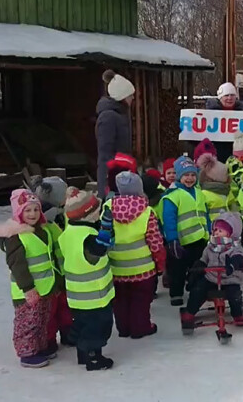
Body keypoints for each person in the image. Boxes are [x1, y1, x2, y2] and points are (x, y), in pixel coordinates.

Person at [0, 190, 58, 368]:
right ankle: (27, 352)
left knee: (42, 320)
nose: (32, 214)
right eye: (27, 211)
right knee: (28, 322)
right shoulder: (16, 237)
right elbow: (18, 265)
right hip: (27, 290)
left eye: (36, 210)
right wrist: (28, 288)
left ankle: (39, 346)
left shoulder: (43, 230)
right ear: (18, 212)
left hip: (45, 286)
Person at [58, 189, 116, 371]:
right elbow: (97, 251)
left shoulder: (70, 232)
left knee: (84, 324)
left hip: (77, 295)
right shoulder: (87, 237)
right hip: (94, 295)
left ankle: (83, 352)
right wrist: (106, 228)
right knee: (98, 328)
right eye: (97, 211)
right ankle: (93, 358)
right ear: (88, 214)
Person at [107, 172, 165, 338]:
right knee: (140, 300)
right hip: (143, 268)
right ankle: (140, 328)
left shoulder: (108, 207)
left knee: (121, 300)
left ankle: (124, 328)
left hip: (116, 267)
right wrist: (160, 263)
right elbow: (155, 242)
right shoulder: (147, 212)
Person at [180, 212, 243, 333]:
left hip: (230, 278)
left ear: (231, 233)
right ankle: (190, 311)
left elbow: (238, 258)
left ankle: (237, 314)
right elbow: (204, 259)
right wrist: (198, 268)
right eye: (215, 230)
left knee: (234, 295)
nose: (216, 233)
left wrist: (232, 265)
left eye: (220, 231)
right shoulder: (211, 246)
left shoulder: (235, 247)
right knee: (198, 290)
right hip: (211, 277)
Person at [32, 177, 75, 351]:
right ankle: (50, 340)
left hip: (61, 270)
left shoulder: (59, 213)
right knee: (52, 310)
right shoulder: (48, 218)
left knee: (63, 307)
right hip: (51, 273)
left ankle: (66, 333)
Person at [162, 156, 210, 307]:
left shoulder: (199, 192)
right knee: (177, 269)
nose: (189, 178)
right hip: (181, 241)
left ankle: (195, 288)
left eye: (192, 175)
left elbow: (205, 213)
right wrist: (172, 240)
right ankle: (176, 293)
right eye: (186, 175)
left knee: (199, 267)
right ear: (179, 176)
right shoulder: (172, 195)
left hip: (199, 238)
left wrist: (209, 231)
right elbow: (168, 220)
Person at [96, 70, 135, 199]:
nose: (133, 98)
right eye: (130, 95)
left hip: (121, 171)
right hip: (112, 175)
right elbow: (106, 151)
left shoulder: (119, 115)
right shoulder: (108, 117)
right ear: (122, 96)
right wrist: (110, 178)